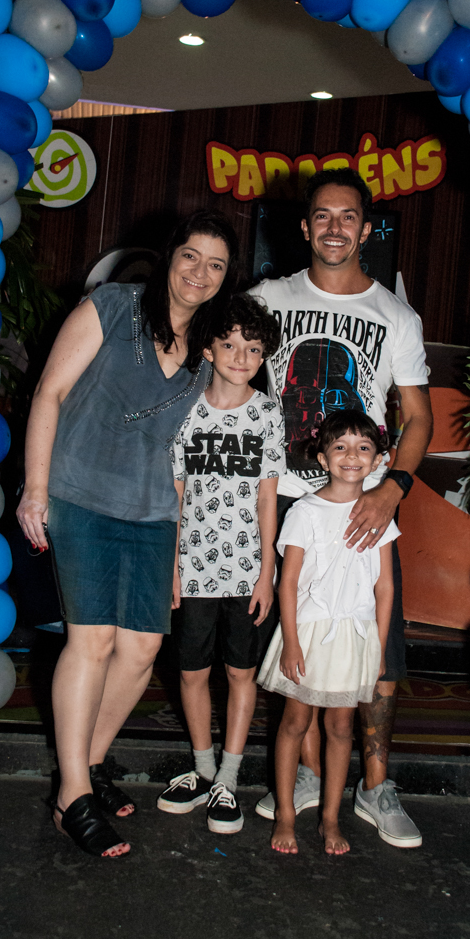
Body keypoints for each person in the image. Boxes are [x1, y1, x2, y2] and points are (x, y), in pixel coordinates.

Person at [16, 209, 239, 859]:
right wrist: (35, 489)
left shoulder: (211, 348)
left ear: (226, 278)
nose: (199, 273)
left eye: (216, 265)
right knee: (92, 641)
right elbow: (49, 393)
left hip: (153, 511)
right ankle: (73, 797)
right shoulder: (113, 306)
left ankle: (84, 766)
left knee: (141, 650)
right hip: (81, 494)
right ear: (170, 256)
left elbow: (200, 443)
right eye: (191, 256)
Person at [249, 167, 433, 848]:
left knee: (376, 650)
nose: (334, 227)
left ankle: (374, 785)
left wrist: (393, 488)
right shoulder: (267, 299)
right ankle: (303, 776)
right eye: (322, 216)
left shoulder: (395, 316)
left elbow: (417, 417)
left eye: (347, 216)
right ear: (304, 227)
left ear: (366, 227)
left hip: (364, 505)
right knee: (291, 645)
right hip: (284, 501)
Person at [157, 295, 284, 834]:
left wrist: (266, 572)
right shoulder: (185, 407)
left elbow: (268, 498)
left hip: (246, 568)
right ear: (208, 349)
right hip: (191, 567)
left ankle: (229, 778)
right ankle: (203, 769)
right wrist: (171, 567)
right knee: (191, 672)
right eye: (229, 345)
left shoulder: (267, 413)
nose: (241, 357)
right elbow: (175, 494)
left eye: (253, 349)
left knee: (240, 672)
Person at [259, 410, 397, 855]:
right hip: (309, 633)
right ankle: (285, 814)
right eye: (340, 447)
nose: (351, 456)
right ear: (322, 458)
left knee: (340, 727)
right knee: (295, 722)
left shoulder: (380, 515)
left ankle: (330, 818)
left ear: (378, 460)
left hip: (355, 635)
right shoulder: (305, 511)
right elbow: (288, 583)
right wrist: (291, 642)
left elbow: (385, 588)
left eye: (363, 448)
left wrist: (378, 647)